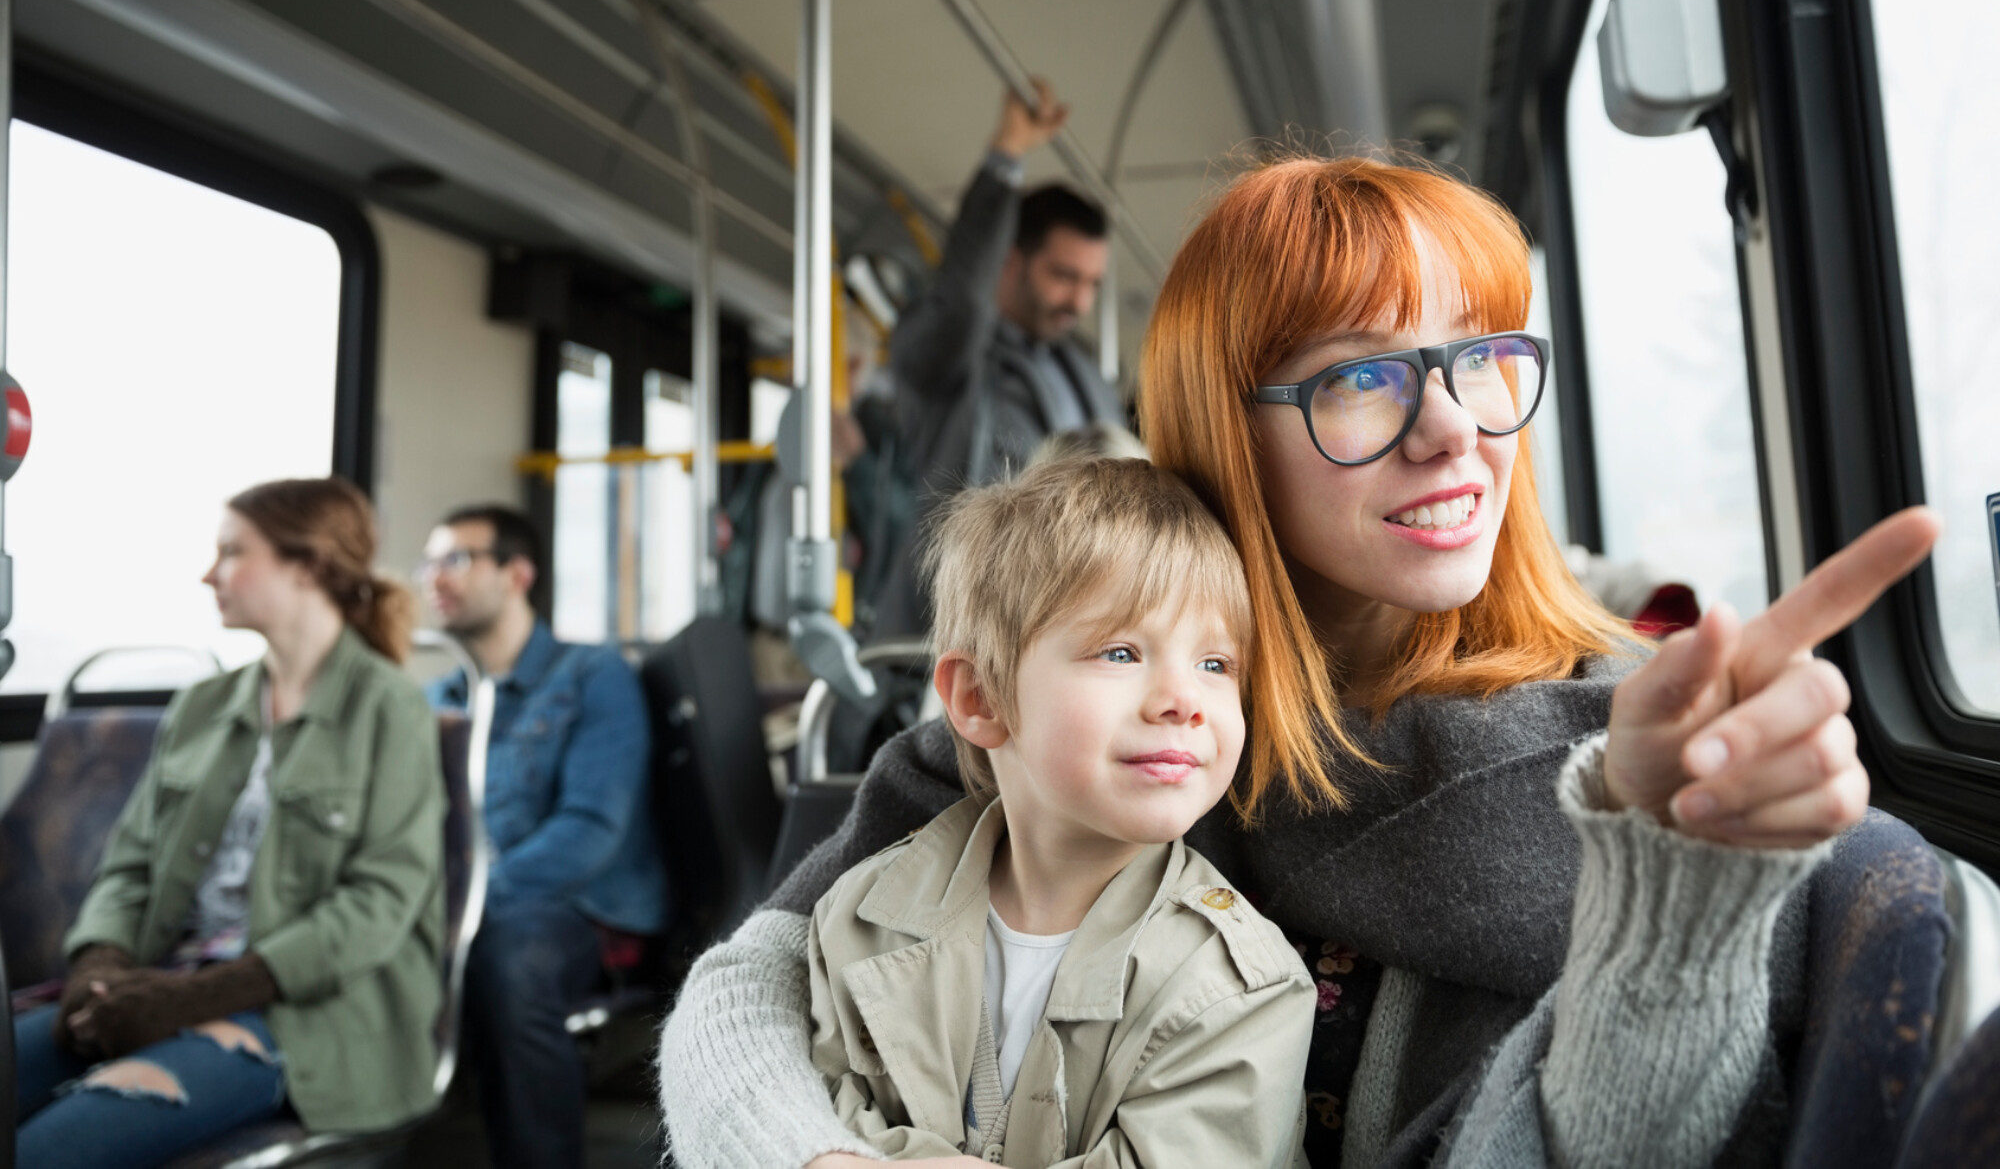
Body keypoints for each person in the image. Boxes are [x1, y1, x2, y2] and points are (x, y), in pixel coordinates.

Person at [657, 153, 1944, 1169]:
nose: (1452, 431)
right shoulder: (1076, 719)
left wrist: (1680, 873)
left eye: (1482, 359)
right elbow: (751, 984)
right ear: (1227, 434)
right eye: (1361, 379)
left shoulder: (1616, 746)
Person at [797, 457, 1313, 1165]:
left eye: (1217, 664)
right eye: (1122, 650)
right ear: (981, 698)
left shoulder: (1240, 991)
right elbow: (807, 1113)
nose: (1184, 699)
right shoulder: (859, 922)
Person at [14, 477, 445, 1169]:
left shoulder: (389, 708)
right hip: (159, 978)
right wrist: (100, 967)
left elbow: (380, 903)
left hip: (300, 1012)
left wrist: (198, 997)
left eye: (233, 552)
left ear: (309, 565)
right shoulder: (202, 705)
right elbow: (129, 863)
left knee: (44, 1154)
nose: (208, 573)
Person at [420, 503, 666, 1169]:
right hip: (469, 899)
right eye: (430, 562)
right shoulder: (437, 697)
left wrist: (463, 908)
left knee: (510, 960)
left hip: (582, 903)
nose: (435, 578)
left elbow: (591, 830)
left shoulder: (592, 675)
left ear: (517, 572)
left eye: (457, 559)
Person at [892, 80, 1127, 499]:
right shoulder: (955, 363)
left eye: (1092, 283)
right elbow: (962, 304)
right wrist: (1006, 154)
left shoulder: (1087, 376)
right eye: (1063, 276)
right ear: (1010, 260)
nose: (1080, 302)